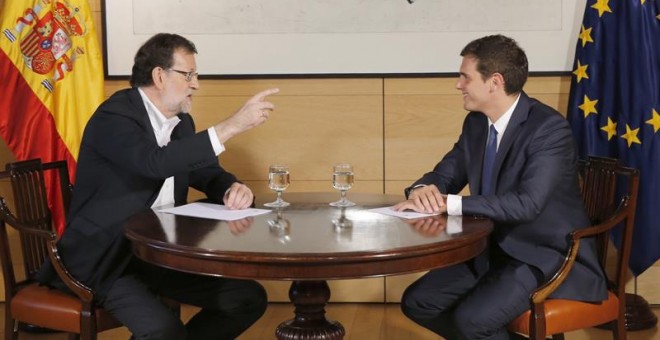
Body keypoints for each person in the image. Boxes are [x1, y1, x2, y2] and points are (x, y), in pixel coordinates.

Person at [37, 33, 279, 340]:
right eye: (188, 74)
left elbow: (205, 172)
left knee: (246, 298)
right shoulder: (114, 116)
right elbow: (154, 163)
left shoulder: (181, 123)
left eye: (196, 75)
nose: (196, 84)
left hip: (156, 255)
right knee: (164, 332)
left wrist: (232, 187)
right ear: (159, 76)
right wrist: (230, 126)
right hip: (107, 259)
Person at [393, 35, 607, 340]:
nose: (458, 85)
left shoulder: (548, 129)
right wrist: (422, 190)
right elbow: (447, 174)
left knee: (472, 321)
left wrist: (449, 204)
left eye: (465, 76)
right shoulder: (477, 124)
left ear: (494, 82)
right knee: (418, 302)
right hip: (491, 247)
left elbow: (527, 204)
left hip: (543, 254)